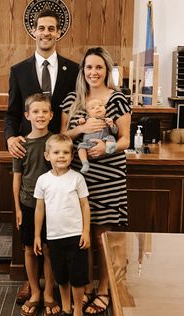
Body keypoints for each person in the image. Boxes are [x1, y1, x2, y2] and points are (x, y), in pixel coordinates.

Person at [60, 47, 131, 315]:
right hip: (80, 176)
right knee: (84, 233)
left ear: (107, 70)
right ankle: (86, 285)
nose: (93, 72)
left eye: (99, 67)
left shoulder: (118, 99)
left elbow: (124, 138)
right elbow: (63, 137)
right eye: (89, 67)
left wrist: (106, 148)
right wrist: (81, 129)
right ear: (83, 71)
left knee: (104, 235)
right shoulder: (72, 99)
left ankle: (104, 289)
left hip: (110, 176)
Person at [4, 8, 79, 159]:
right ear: (34, 32)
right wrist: (10, 138)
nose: (46, 33)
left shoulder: (74, 70)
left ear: (58, 33)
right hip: (29, 150)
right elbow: (12, 113)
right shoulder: (19, 71)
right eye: (41, 28)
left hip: (63, 151)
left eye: (51, 29)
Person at [12, 93, 60, 316]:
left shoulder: (56, 142)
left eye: (44, 112)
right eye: (35, 112)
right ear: (27, 115)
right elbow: (17, 178)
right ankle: (35, 292)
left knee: (49, 249)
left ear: (51, 115)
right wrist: (18, 209)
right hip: (28, 204)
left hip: (53, 205)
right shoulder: (20, 144)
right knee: (30, 249)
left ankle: (49, 292)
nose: (40, 115)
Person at [34, 134, 91, 316]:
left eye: (66, 152)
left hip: (75, 236)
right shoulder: (43, 180)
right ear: (47, 155)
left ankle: (78, 311)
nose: (61, 156)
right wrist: (37, 235)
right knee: (61, 276)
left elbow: (85, 205)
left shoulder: (77, 179)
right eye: (56, 152)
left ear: (72, 156)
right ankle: (66, 308)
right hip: (54, 237)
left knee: (77, 277)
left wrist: (86, 231)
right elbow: (39, 209)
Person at [76, 98, 118, 173]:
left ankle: (110, 150)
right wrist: (80, 121)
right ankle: (85, 163)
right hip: (88, 143)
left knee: (111, 137)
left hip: (103, 141)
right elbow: (79, 124)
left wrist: (111, 125)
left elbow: (115, 132)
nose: (97, 107)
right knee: (80, 146)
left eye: (100, 105)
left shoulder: (107, 120)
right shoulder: (87, 119)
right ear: (88, 113)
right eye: (93, 107)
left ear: (105, 109)